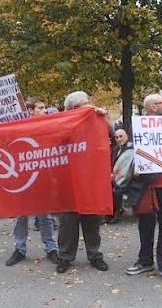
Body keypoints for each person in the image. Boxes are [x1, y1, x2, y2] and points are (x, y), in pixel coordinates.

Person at [126, 93, 162, 283]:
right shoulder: (138, 126)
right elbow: (134, 151)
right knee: (146, 225)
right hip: (146, 185)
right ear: (152, 108)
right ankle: (145, 260)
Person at [56, 91, 109, 274]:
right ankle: (65, 257)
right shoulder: (61, 124)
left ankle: (95, 255)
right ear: (73, 108)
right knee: (67, 223)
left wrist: (102, 117)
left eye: (89, 102)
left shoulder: (97, 120)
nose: (90, 106)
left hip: (89, 181)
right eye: (85, 104)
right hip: (68, 182)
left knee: (92, 221)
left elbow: (112, 135)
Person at [5, 97, 59, 266]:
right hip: (24, 178)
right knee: (22, 215)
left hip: (43, 176)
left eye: (45, 108)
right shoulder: (20, 127)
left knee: (46, 216)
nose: (45, 111)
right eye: (41, 108)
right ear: (30, 111)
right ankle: (19, 249)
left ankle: (51, 248)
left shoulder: (48, 127)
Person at [108, 128, 133, 224]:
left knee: (115, 190)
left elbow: (127, 168)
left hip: (129, 177)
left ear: (126, 136)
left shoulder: (131, 149)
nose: (119, 139)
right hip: (118, 176)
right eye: (116, 137)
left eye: (121, 136)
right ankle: (110, 213)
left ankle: (116, 214)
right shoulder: (116, 149)